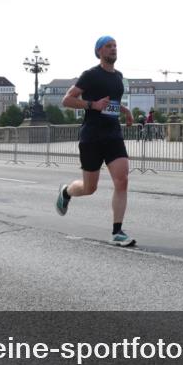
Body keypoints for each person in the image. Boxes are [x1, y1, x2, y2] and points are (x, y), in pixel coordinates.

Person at [55, 36, 136, 246]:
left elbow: (110, 104)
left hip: (113, 134)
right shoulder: (90, 75)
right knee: (90, 188)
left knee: (122, 180)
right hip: (91, 136)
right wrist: (92, 105)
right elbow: (67, 100)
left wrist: (125, 110)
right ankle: (66, 191)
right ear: (99, 51)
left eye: (115, 46)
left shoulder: (118, 77)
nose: (113, 49)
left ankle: (117, 231)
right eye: (109, 46)